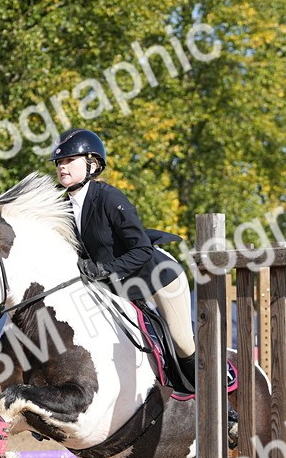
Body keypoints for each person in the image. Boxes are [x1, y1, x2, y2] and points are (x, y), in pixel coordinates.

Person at [50, 128, 198, 390]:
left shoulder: (108, 197)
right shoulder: (62, 207)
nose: (62, 167)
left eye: (69, 161)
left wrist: (105, 269)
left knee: (181, 341)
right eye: (60, 163)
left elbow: (141, 250)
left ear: (92, 164)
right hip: (116, 286)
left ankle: (212, 395)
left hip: (156, 276)